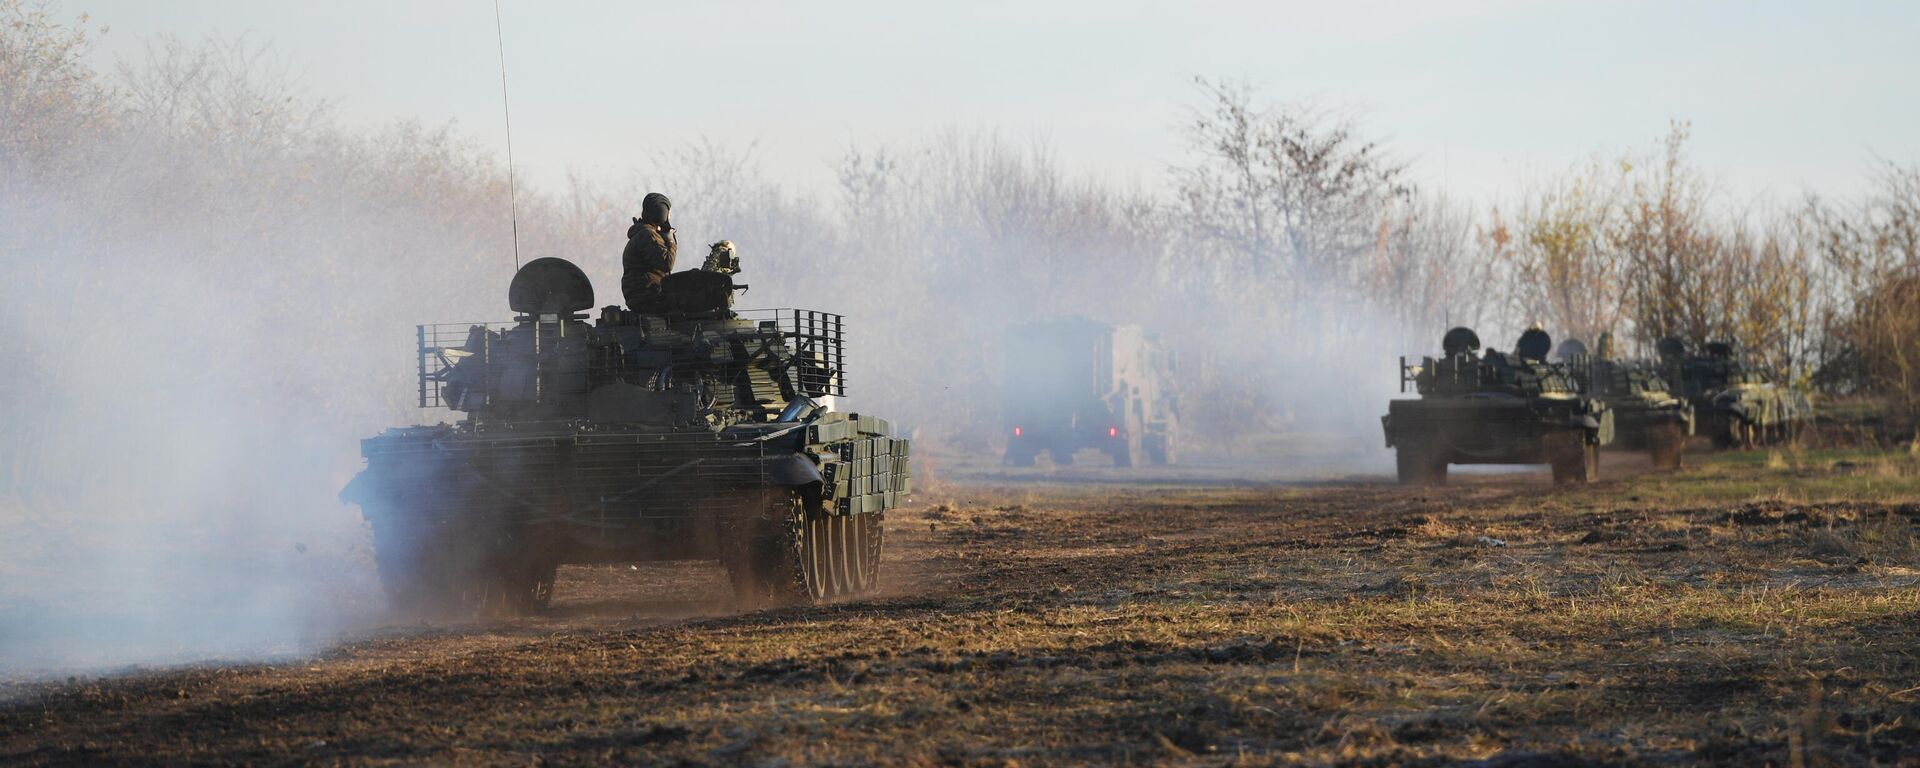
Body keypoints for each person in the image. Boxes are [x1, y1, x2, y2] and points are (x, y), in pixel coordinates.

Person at [622, 192, 677, 312]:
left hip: (644, 294)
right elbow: (667, 263)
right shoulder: (648, 235)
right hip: (648, 296)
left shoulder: (644, 233)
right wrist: (671, 241)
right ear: (662, 212)